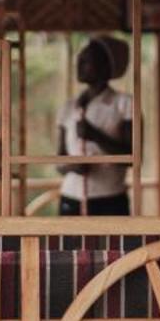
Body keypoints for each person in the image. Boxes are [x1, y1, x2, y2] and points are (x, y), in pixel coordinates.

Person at [57, 35, 133, 216]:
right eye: (79, 59)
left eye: (86, 61)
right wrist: (72, 166)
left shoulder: (123, 104)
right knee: (67, 245)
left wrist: (95, 136)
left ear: (106, 66)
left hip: (109, 198)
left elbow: (133, 157)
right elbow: (59, 159)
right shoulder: (68, 107)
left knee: (113, 245)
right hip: (70, 197)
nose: (79, 65)